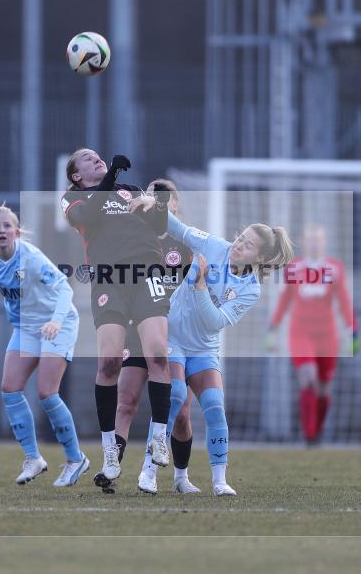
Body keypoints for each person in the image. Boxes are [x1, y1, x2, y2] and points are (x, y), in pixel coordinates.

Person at [130, 195, 294, 496]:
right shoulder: (214, 246)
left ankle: (218, 481)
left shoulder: (250, 290)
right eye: (240, 238)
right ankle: (149, 471)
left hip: (203, 349)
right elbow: (179, 229)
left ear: (258, 258)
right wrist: (152, 202)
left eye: (247, 245)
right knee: (176, 396)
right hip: (174, 339)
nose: (238, 245)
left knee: (216, 408)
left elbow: (214, 322)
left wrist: (202, 285)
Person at [61, 149, 172, 493]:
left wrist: (161, 205)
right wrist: (108, 180)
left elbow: (157, 227)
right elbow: (90, 217)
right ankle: (110, 449)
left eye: (98, 156)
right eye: (87, 159)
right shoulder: (72, 198)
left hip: (148, 271)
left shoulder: (131, 189)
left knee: (157, 355)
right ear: (76, 176)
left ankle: (158, 440)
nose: (96, 159)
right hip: (109, 278)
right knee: (109, 363)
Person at [0, 204, 89, 487]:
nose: (2, 230)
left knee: (46, 392)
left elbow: (65, 288)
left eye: (7, 226)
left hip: (59, 321)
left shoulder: (30, 257)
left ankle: (76, 459)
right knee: (10, 388)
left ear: (17, 232)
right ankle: (33, 458)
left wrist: (54, 321)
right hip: (27, 326)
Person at [113, 179, 203, 494]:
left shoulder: (187, 248)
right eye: (149, 195)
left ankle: (181, 477)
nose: (154, 199)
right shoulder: (131, 240)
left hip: (175, 336)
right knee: (125, 400)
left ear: (174, 206)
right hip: (139, 331)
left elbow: (198, 292)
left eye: (163, 197)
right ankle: (112, 469)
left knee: (180, 413)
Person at [266, 225, 358, 445]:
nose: (315, 243)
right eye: (311, 239)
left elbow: (344, 300)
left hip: (327, 334)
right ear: (304, 242)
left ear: (325, 242)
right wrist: (273, 328)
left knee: (324, 389)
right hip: (300, 332)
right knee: (308, 379)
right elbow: (285, 300)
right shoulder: (294, 268)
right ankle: (309, 435)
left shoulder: (334, 268)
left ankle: (316, 431)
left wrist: (352, 330)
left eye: (319, 239)